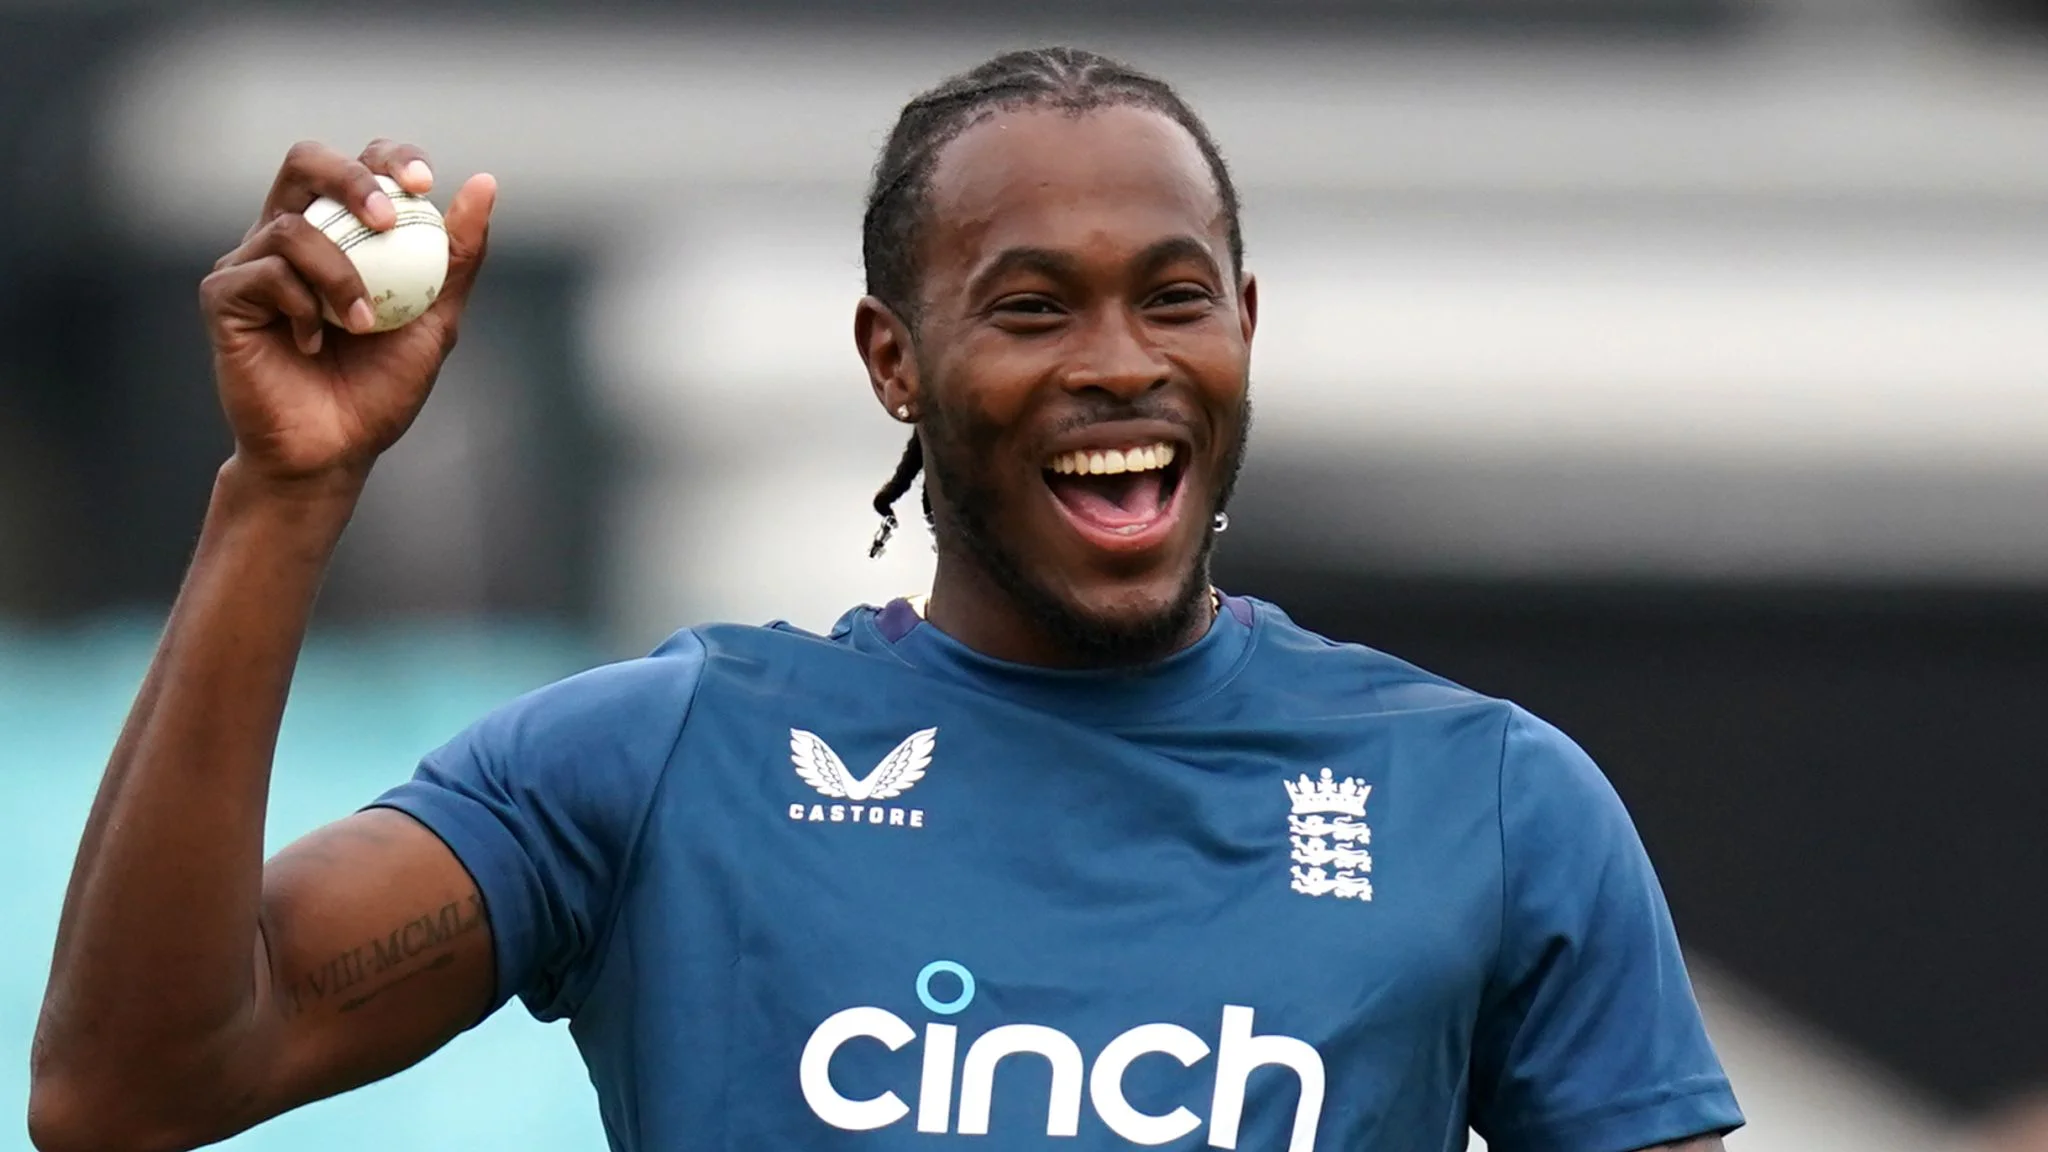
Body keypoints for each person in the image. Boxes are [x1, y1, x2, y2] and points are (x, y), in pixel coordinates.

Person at [28, 46, 1743, 1152]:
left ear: (1243, 329)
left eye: (1175, 298)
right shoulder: (662, 764)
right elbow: (130, 1087)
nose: (1120, 364)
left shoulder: (1487, 796)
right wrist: (287, 495)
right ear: (893, 362)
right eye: (1030, 309)